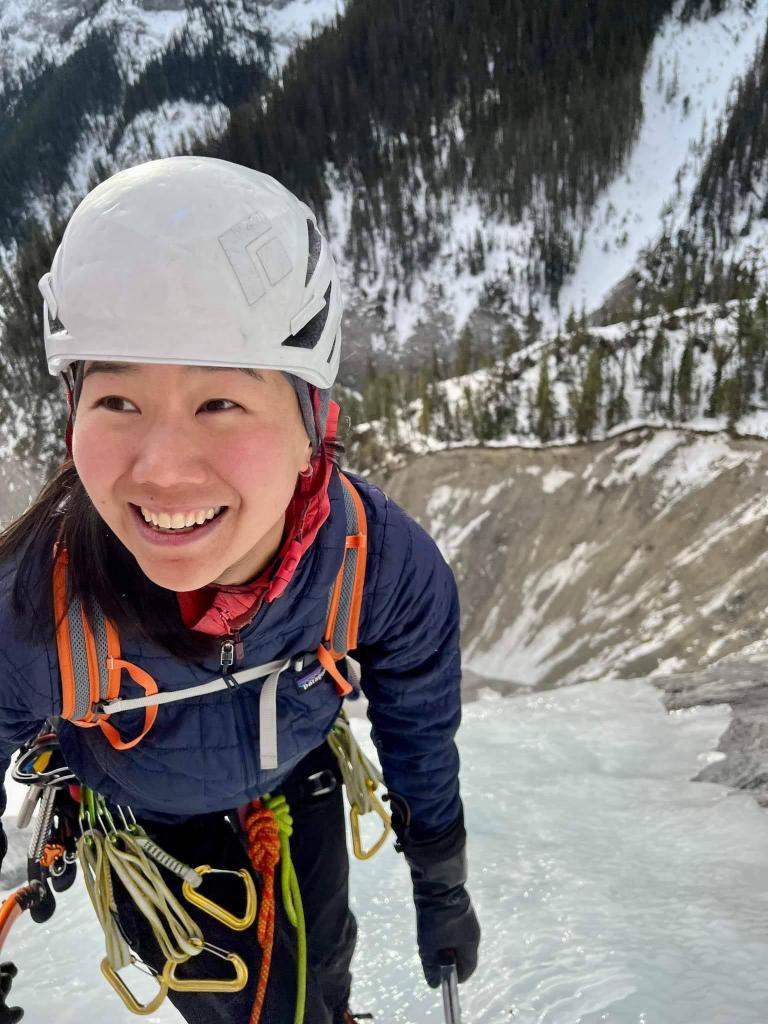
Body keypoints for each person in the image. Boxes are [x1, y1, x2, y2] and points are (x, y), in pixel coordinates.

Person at [0, 156, 480, 1023]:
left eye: (219, 403)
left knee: (323, 975)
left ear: (313, 428)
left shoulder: (375, 563)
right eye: (117, 403)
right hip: (145, 818)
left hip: (293, 776)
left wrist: (441, 877)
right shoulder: (35, 608)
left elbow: (419, 727)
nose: (161, 470)